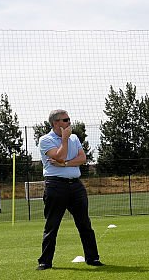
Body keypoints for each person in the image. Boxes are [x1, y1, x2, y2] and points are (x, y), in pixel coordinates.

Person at [36, 110, 102, 270]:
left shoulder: (74, 138)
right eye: (66, 120)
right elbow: (59, 156)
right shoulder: (45, 140)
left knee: (85, 224)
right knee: (52, 225)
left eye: (69, 119)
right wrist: (64, 140)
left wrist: (65, 163)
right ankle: (45, 262)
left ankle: (93, 258)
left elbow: (82, 158)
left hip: (76, 185)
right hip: (55, 186)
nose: (69, 123)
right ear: (56, 123)